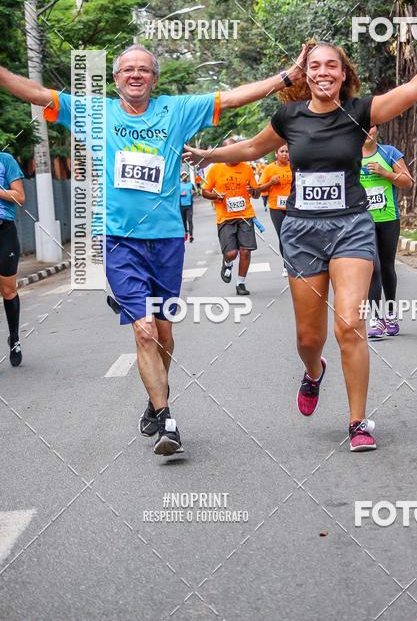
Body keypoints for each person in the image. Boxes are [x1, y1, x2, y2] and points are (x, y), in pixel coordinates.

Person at [185, 10, 417, 452]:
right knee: (308, 337)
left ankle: (358, 422)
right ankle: (314, 371)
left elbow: (414, 89)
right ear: (305, 73)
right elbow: (249, 147)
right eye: (315, 65)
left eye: (332, 65)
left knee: (350, 324)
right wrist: (207, 153)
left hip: (352, 226)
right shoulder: (289, 117)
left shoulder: (361, 111)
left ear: (344, 75)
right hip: (301, 230)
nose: (323, 72)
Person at [0, 44, 305, 456]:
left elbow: (233, 96)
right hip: (119, 239)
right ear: (115, 78)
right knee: (143, 329)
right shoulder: (95, 113)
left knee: (163, 332)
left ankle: (154, 395)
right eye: (128, 69)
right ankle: (166, 420)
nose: (136, 75)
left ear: (154, 79)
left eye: (144, 70)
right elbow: (36, 93)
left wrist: (287, 76)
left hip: (166, 240)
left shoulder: (176, 110)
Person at [360, 126, 413, 338]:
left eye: (370, 127)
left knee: (388, 267)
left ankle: (390, 314)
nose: (366, 131)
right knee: (373, 266)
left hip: (388, 218)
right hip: (362, 220)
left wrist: (385, 172)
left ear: (377, 130)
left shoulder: (389, 152)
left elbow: (408, 182)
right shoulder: (349, 155)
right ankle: (376, 318)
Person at [201, 139, 259, 296]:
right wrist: (215, 195)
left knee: (246, 251)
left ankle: (241, 283)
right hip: (225, 217)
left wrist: (253, 191)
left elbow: (256, 192)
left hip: (245, 215)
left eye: (237, 151)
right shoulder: (215, 169)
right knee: (231, 253)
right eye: (230, 152)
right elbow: (204, 191)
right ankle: (227, 263)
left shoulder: (247, 168)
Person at [0, 152, 26, 367]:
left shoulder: (6, 160)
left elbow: (20, 197)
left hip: (4, 232)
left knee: (8, 290)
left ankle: (15, 339)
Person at [255, 143, 292, 272]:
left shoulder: (294, 166)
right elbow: (258, 188)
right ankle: (287, 265)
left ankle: (296, 262)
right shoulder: (269, 169)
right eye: (281, 151)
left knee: (295, 235)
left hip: (293, 207)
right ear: (276, 154)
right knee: (283, 236)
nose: (284, 154)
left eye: (287, 151)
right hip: (276, 208)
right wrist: (271, 182)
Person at [179, 170, 195, 242]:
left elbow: (195, 191)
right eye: (183, 175)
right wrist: (180, 194)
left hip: (189, 205)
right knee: (183, 221)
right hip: (181, 205)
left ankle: (191, 235)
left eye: (185, 175)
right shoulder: (178, 185)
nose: (184, 176)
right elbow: (175, 194)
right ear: (181, 177)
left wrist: (193, 192)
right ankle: (185, 233)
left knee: (190, 220)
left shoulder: (190, 184)